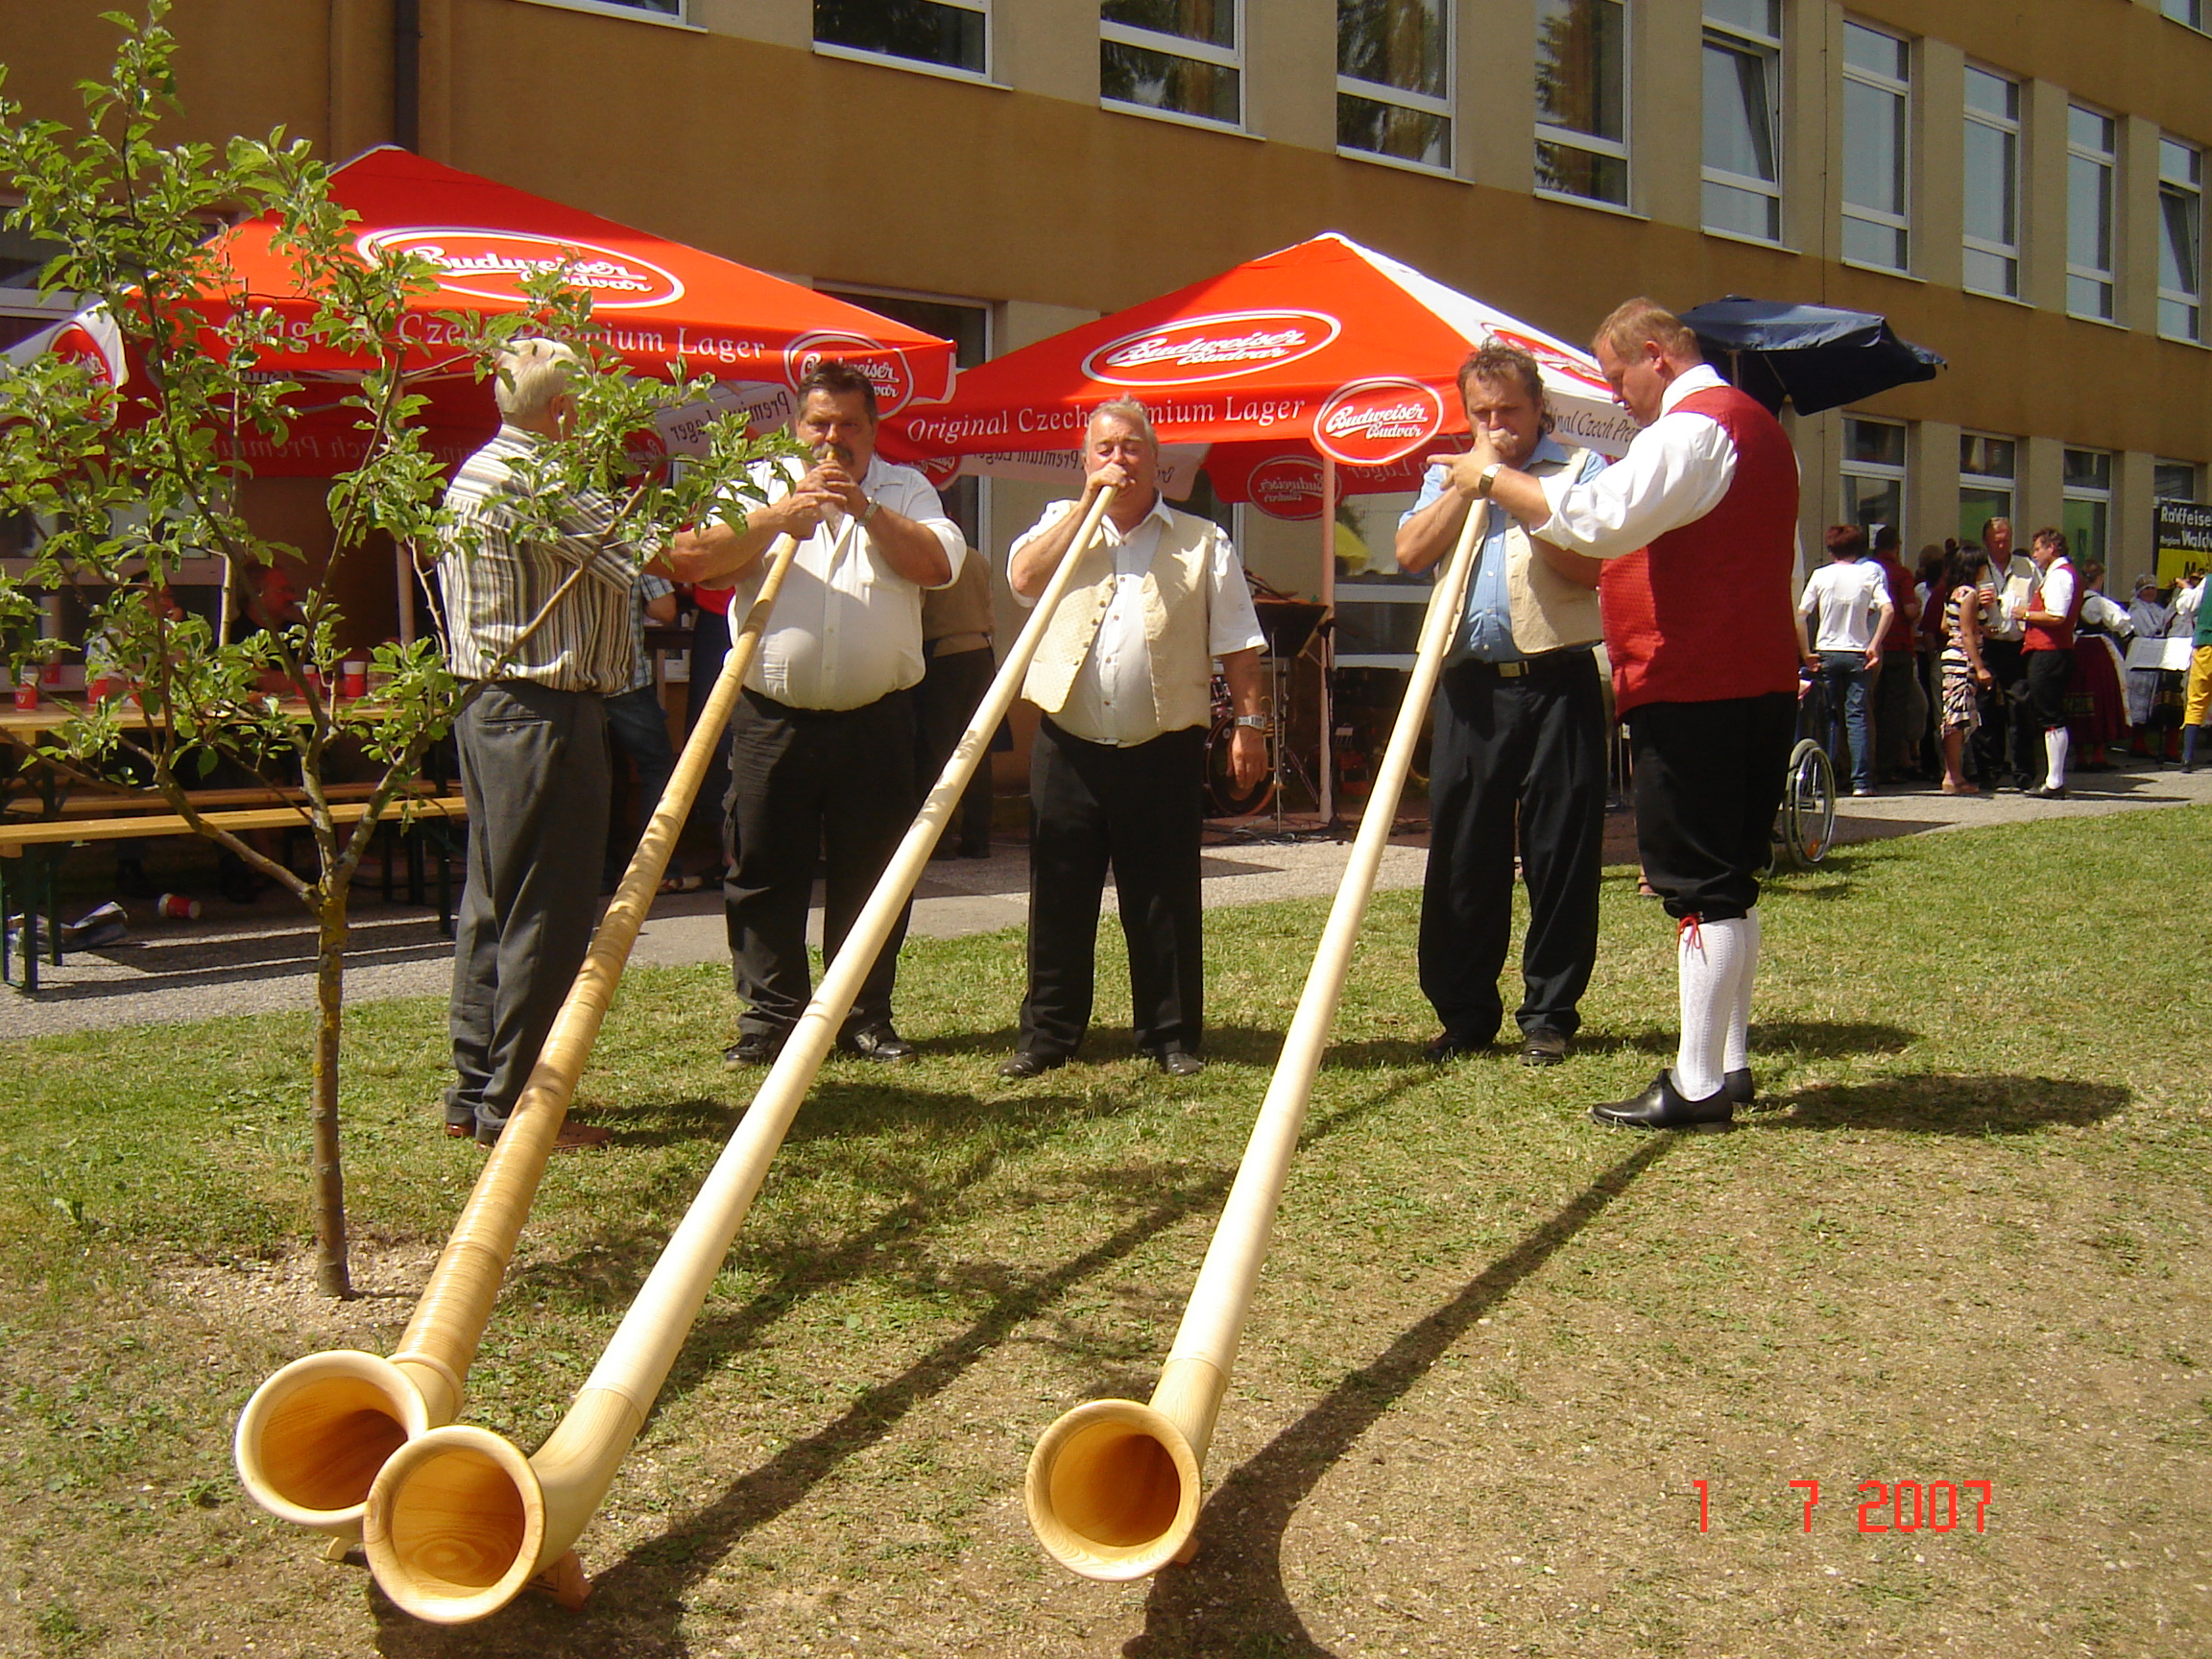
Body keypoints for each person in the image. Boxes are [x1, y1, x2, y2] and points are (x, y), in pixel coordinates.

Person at [1467, 298, 1800, 1130]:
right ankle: (1727, 1059)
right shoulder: (1757, 426)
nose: (1617, 396)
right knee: (1731, 881)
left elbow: (1598, 519)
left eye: (1618, 376)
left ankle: (1696, 1083)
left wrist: (1492, 479)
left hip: (1698, 684)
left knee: (1699, 886)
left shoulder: (1692, 429)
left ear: (1655, 355)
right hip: (1750, 678)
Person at [673, 360, 965, 1067]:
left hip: (879, 718)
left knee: (874, 875)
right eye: (820, 424)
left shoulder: (907, 489)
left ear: (872, 431)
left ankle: (862, 1016)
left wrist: (864, 508)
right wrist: (777, 517)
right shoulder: (756, 482)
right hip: (770, 714)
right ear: (797, 426)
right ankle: (771, 1019)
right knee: (764, 867)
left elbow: (937, 566)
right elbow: (691, 560)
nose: (834, 440)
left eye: (850, 426)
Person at [998, 398, 1268, 1079]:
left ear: (1156, 461)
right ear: (1085, 461)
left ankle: (1170, 1035)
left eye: (1131, 448)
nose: (1118, 460)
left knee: (1164, 894)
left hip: (1163, 740)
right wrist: (1084, 513)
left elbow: (1238, 644)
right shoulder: (1058, 526)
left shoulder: (1203, 540)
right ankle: (1049, 1034)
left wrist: (1251, 725)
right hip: (1069, 738)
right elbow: (1024, 582)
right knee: (1058, 890)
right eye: (1104, 449)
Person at [1391, 342, 1609, 1068]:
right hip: (1469, 686)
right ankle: (1463, 1014)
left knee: (1560, 852)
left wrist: (1511, 486)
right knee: (1462, 851)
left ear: (1538, 405)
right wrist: (1467, 485)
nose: (1496, 424)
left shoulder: (1580, 470)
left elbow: (1587, 564)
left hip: (1558, 679)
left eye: (1508, 410)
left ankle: (1549, 1014)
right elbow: (1411, 552)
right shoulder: (1441, 474)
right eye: (1481, 413)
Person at [913, 544, 998, 861]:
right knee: (977, 751)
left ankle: (940, 839)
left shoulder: (927, 557)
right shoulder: (978, 559)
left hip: (942, 655)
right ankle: (978, 839)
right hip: (979, 653)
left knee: (936, 750)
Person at [1795, 525, 1893, 797]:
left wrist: (1806, 651)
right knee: (1857, 716)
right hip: (1858, 651)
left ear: (1830, 549)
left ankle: (1820, 780)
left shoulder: (1821, 575)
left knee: (1827, 716)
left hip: (1826, 650)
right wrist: (1874, 644)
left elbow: (1801, 616)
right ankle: (1861, 781)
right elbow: (1887, 609)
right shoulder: (1868, 573)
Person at [600, 567, 679, 892]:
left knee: (593, 774)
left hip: (571, 680)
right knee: (657, 768)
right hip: (624, 674)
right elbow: (665, 609)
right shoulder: (634, 535)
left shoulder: (553, 525)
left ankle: (596, 871)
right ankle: (655, 869)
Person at [1971, 517, 2036, 788]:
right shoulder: (1977, 567)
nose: (2002, 543)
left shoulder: (2027, 567)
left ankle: (2023, 773)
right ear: (1986, 540)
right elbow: (1958, 605)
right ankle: (1989, 771)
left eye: (2006, 538)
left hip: (2017, 644)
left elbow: (2039, 600)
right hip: (1986, 645)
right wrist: (1978, 603)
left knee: (2020, 706)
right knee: (1986, 710)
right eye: (1996, 538)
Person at [2018, 527, 2080, 799]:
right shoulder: (2057, 575)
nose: (2035, 554)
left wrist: (2026, 613)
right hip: (2051, 650)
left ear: (2051, 548)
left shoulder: (2060, 576)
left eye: (2038, 549)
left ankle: (2055, 780)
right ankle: (2053, 778)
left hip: (2051, 651)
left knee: (2051, 716)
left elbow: (2057, 616)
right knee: (2048, 714)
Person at [1867, 523, 1924, 782]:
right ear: (1897, 546)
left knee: (1870, 708)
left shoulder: (1864, 570)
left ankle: (1864, 764)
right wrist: (1918, 606)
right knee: (1893, 710)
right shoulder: (1901, 574)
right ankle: (1886, 766)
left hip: (1869, 647)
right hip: (1897, 647)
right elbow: (1911, 611)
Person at [1936, 542, 1993, 795]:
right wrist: (1980, 667)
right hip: (1964, 659)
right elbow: (1967, 633)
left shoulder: (1954, 592)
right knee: (1957, 719)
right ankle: (1953, 776)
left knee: (1953, 715)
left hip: (1951, 656)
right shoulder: (1970, 594)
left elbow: (1945, 626)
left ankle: (1953, 774)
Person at [2065, 562, 2130, 770]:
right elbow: (2122, 623)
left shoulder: (2072, 600)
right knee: (2102, 699)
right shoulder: (2100, 602)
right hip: (2096, 652)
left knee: (2077, 699)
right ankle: (2098, 755)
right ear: (2100, 578)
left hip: (2075, 649)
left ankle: (2081, 756)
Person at [2124, 572, 2175, 745]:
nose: (2150, 592)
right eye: (2147, 589)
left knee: (2151, 702)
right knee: (2140, 700)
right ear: (2140, 592)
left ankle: (2145, 742)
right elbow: (2148, 631)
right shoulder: (2136, 609)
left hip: (2155, 658)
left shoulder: (2156, 609)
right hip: (2142, 657)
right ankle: (2137, 743)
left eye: (2153, 589)